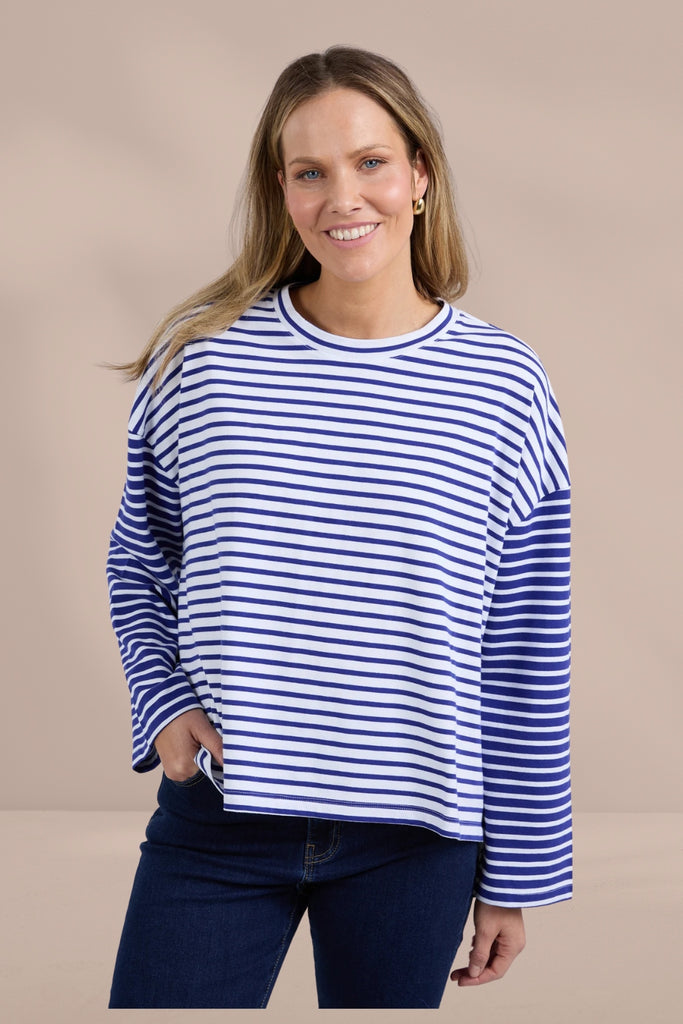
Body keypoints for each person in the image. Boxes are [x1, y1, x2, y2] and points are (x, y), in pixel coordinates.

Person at [106, 45, 572, 1010]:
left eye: (370, 163)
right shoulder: (202, 362)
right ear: (280, 191)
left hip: (416, 836)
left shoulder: (505, 387)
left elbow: (523, 648)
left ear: (419, 176)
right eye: (309, 172)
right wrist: (164, 702)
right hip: (222, 817)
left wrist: (515, 877)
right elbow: (139, 560)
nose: (342, 197)